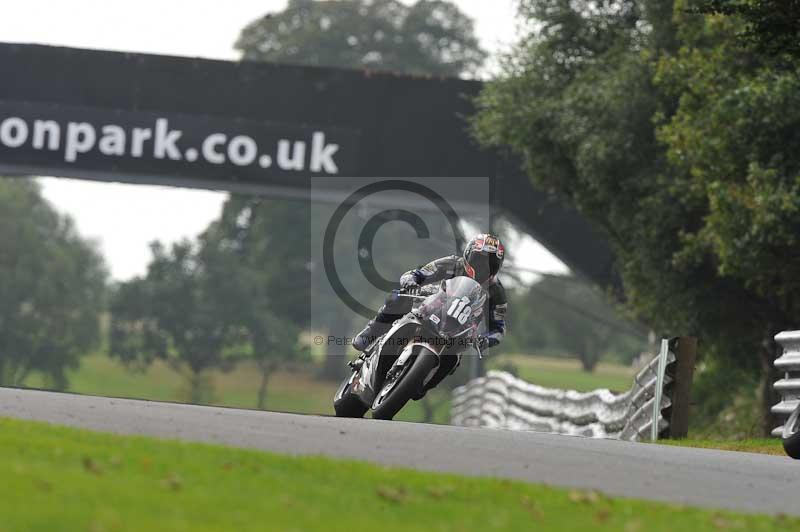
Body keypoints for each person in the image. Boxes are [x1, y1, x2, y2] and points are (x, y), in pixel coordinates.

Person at [352, 233, 508, 354]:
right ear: (468, 255)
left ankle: (420, 383)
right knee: (398, 296)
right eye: (479, 260)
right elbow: (417, 274)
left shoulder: (496, 291)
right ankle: (371, 333)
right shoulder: (453, 263)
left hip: (461, 330)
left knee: (452, 360)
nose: (483, 268)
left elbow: (499, 330)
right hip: (434, 302)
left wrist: (486, 341)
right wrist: (411, 282)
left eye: (490, 265)